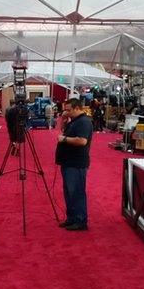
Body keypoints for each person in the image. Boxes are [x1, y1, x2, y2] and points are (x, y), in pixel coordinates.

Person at [55, 98, 93, 231]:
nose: (66, 112)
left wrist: (64, 139)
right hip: (68, 161)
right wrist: (64, 120)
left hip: (76, 163)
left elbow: (82, 141)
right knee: (69, 192)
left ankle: (80, 220)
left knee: (77, 192)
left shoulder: (83, 122)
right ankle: (72, 218)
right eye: (65, 109)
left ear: (77, 108)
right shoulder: (75, 121)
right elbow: (63, 130)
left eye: (69, 110)